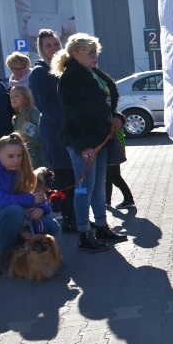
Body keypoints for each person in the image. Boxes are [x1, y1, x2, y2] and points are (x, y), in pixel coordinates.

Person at [53, 33, 128, 252]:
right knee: (84, 187)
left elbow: (106, 102)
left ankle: (101, 225)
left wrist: (117, 116)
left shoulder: (91, 73)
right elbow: (71, 115)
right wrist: (83, 145)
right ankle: (84, 232)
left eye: (96, 51)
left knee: (98, 186)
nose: (96, 56)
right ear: (76, 54)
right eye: (91, 52)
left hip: (99, 138)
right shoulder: (70, 78)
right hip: (83, 142)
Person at [0, 134, 59, 277]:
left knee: (51, 226)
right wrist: (29, 199)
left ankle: (23, 251)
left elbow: (38, 198)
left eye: (19, 156)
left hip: (12, 219)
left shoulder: (18, 168)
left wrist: (41, 209)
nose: (16, 160)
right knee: (14, 211)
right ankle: (4, 256)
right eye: (10, 156)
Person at [30, 29, 77, 233]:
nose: (53, 48)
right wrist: (64, 122)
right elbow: (43, 104)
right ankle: (68, 218)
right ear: (41, 49)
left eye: (56, 44)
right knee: (62, 175)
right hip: (54, 129)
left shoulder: (66, 68)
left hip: (71, 128)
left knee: (75, 174)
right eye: (48, 45)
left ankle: (77, 216)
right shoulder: (39, 72)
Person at [10, 86, 46, 168]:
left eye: (16, 96)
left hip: (40, 155)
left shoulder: (33, 112)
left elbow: (42, 131)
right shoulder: (16, 118)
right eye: (11, 97)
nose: (13, 99)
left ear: (26, 98)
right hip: (28, 156)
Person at [106, 129, 135, 209]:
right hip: (111, 149)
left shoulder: (113, 118)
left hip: (113, 149)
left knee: (115, 177)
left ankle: (129, 199)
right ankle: (106, 201)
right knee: (108, 177)